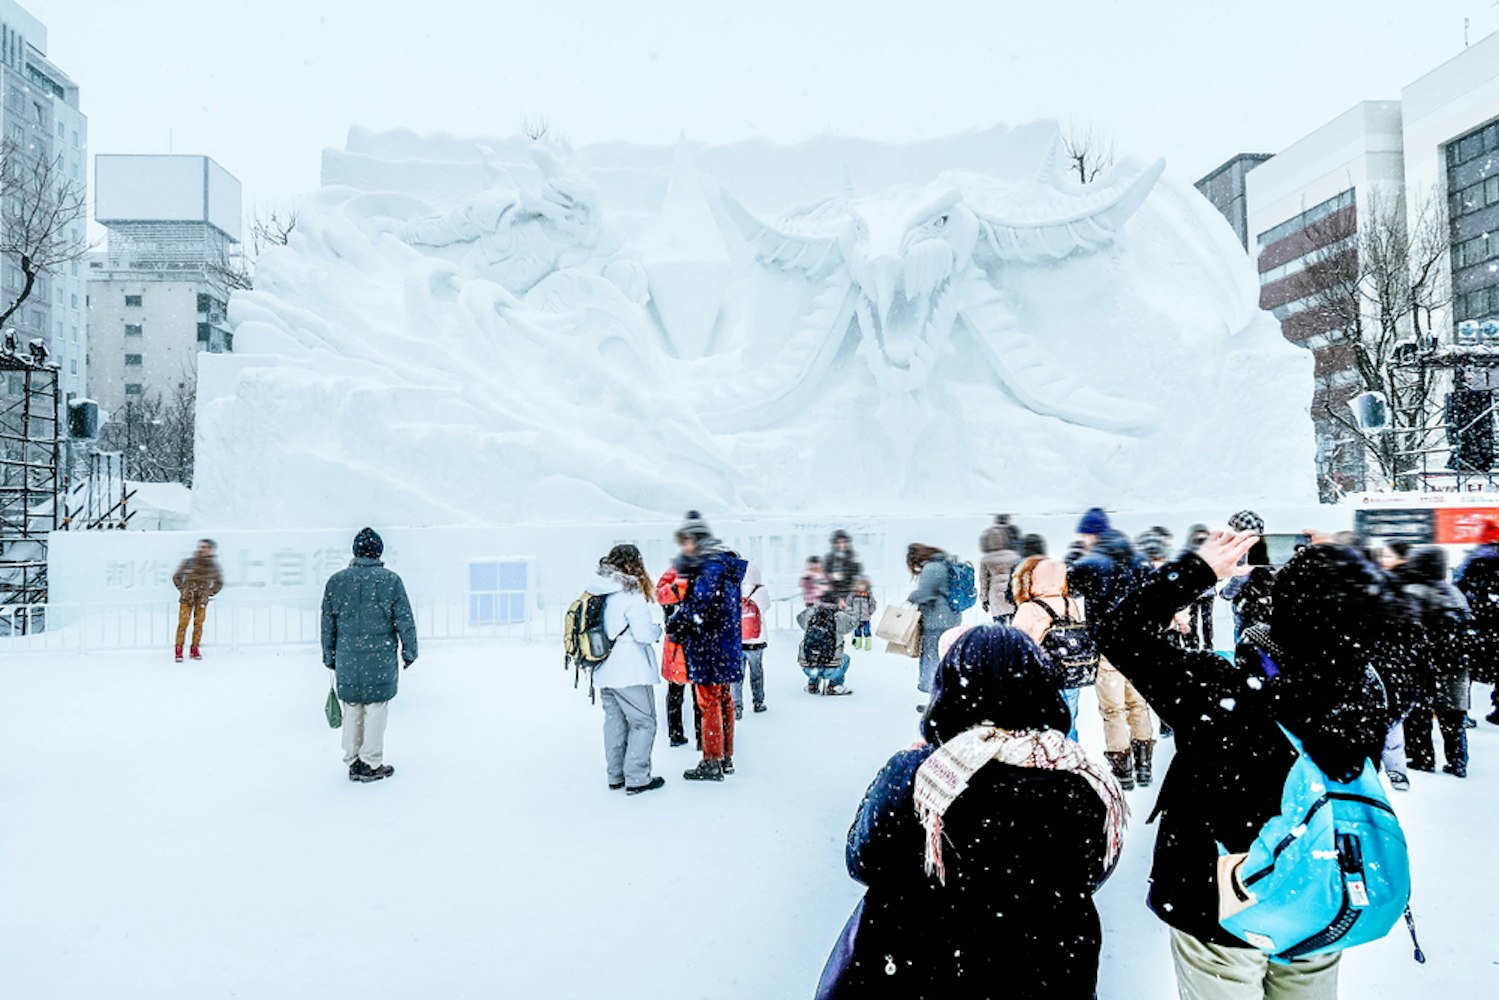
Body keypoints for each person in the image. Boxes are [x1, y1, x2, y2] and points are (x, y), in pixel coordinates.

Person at [1096, 532, 1410, 999]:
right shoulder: (1369, 688)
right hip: (1317, 891)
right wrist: (1350, 567)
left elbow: (1119, 632)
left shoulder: (1220, 689)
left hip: (1220, 900)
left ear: (1278, 606)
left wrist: (1197, 571)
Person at [814, 626, 1124, 1000]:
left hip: (919, 967)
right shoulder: (1082, 780)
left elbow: (863, 862)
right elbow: (1091, 872)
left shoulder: (922, 775)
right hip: (1042, 970)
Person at [321, 528, 417, 783]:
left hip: (347, 657)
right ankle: (371, 762)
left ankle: (353, 761)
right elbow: (404, 619)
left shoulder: (337, 581)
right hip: (380, 657)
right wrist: (410, 651)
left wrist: (329, 655)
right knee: (375, 708)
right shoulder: (391, 581)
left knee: (352, 707)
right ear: (379, 552)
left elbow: (327, 622)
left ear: (355, 551)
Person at [1069, 507, 1155, 789]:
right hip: (1141, 642)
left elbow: (1070, 589)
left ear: (1091, 533)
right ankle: (1145, 766)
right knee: (1138, 703)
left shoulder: (1091, 562)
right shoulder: (1140, 559)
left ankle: (1123, 769)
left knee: (1113, 709)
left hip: (1109, 645)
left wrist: (1073, 561)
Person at [666, 511, 746, 783]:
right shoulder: (723, 565)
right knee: (724, 699)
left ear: (697, 540)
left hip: (709, 645)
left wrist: (679, 621)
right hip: (724, 643)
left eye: (686, 541)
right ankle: (725, 756)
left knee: (709, 701)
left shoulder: (709, 566)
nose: (684, 548)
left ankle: (712, 760)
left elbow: (701, 604)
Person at [588, 545, 666, 795]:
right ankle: (637, 777)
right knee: (644, 722)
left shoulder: (598, 588)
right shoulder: (630, 593)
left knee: (615, 722)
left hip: (603, 665)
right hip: (629, 668)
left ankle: (615, 776)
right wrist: (657, 630)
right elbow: (642, 634)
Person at [1400, 546, 1472, 779]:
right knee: (1453, 716)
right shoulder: (1454, 593)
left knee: (1418, 715)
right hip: (1454, 666)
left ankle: (1421, 757)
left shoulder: (1412, 592)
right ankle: (1458, 760)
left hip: (1421, 665)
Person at [1011, 556, 1090, 742]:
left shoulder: (1029, 608)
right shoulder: (1070, 603)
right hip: (1071, 673)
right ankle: (1073, 758)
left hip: (1042, 677)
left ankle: (1051, 762)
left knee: (1045, 727)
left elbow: (1016, 647)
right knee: (1069, 722)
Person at [1453, 529, 1499, 725]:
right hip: (1495, 623)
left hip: (1473, 623)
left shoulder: (1470, 560)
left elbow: (1457, 587)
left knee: (1465, 671)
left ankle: (1461, 713)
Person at [907, 543, 960, 712]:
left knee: (933, 660)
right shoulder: (945, 564)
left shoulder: (932, 568)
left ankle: (937, 703)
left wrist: (912, 597)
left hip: (937, 621)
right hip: (950, 618)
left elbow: (925, 593)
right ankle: (945, 700)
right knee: (945, 658)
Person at [657, 565, 703, 749]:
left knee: (675, 693)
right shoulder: (707, 575)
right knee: (700, 696)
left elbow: (660, 594)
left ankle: (676, 735)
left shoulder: (675, 573)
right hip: (698, 645)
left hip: (676, 645)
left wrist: (677, 587)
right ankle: (702, 737)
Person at [172, 538, 224, 662]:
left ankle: (195, 648)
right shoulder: (189, 562)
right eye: (201, 546)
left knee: (198, 624)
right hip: (187, 598)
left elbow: (219, 582)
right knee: (183, 623)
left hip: (201, 600)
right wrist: (183, 589)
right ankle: (179, 650)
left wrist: (209, 592)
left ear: (211, 550)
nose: (202, 549)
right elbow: (176, 577)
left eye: (206, 547)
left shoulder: (213, 566)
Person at [797, 594, 856, 696]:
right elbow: (854, 621)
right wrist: (846, 607)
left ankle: (812, 685)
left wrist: (814, 607)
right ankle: (834, 686)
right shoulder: (839, 617)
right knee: (845, 658)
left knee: (814, 654)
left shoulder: (811, 615)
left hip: (809, 668)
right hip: (831, 669)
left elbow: (799, 618)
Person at [733, 561, 770, 719]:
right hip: (756, 641)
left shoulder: (733, 590)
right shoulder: (761, 591)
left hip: (737, 641)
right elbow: (765, 608)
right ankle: (758, 702)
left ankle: (736, 706)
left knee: (737, 676)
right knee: (756, 673)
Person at [978, 514, 1021, 624]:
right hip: (1012, 594)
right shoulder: (1015, 556)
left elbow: (984, 581)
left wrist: (984, 600)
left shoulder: (986, 559)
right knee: (1015, 626)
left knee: (999, 629)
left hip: (995, 596)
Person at [824, 530, 863, 604]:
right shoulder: (829, 558)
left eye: (844, 542)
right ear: (834, 543)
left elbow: (858, 572)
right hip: (834, 593)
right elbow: (825, 575)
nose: (841, 545)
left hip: (850, 591)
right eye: (838, 542)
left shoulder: (853, 556)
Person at [848, 578, 877, 651]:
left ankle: (868, 644)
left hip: (865, 617)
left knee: (866, 631)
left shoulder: (868, 594)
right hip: (856, 617)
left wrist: (870, 612)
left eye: (862, 585)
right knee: (857, 631)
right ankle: (858, 644)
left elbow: (873, 604)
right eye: (859, 585)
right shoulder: (853, 594)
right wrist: (850, 612)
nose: (861, 587)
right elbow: (848, 604)